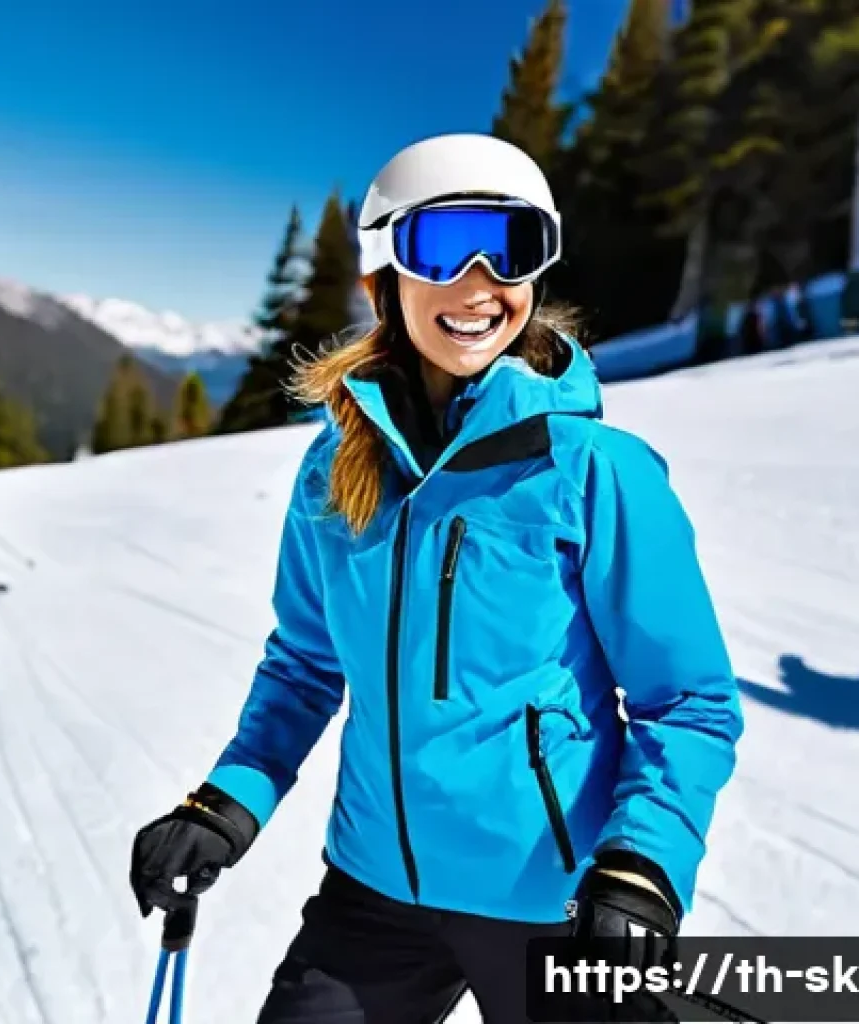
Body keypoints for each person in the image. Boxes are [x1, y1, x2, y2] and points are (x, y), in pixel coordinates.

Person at [130, 133, 744, 1023]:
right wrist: (229, 800)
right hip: (373, 893)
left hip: (556, 904)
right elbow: (304, 665)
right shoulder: (334, 469)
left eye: (513, 247)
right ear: (385, 274)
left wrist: (642, 861)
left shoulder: (593, 470)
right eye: (442, 246)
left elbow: (686, 699)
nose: (479, 281)